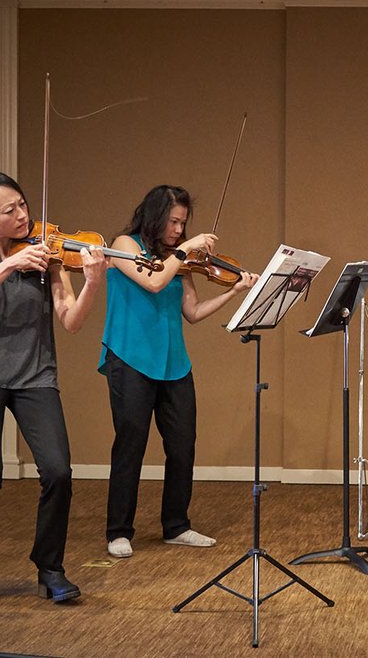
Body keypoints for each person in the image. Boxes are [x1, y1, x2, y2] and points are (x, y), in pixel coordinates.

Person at [0, 169, 107, 609]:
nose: (22, 216)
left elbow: (71, 321)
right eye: (8, 210)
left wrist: (93, 281)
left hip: (34, 374)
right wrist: (8, 265)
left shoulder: (47, 252)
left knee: (58, 471)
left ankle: (50, 567)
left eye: (22, 204)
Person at [101, 185, 258, 559]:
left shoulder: (178, 259)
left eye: (183, 223)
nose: (178, 229)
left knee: (183, 445)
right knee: (131, 444)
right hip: (130, 358)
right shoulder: (124, 245)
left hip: (174, 362)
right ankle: (119, 530)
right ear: (154, 216)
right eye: (173, 221)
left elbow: (193, 312)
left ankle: (176, 525)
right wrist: (185, 250)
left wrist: (234, 292)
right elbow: (153, 283)